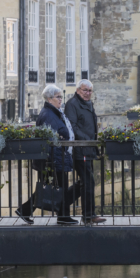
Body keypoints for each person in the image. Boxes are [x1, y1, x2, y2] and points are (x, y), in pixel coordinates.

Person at [16, 85, 78, 226]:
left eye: (61, 97)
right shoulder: (48, 114)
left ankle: (27, 210)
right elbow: (51, 137)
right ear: (50, 99)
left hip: (56, 158)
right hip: (54, 159)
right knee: (53, 188)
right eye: (58, 97)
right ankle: (62, 216)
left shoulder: (54, 113)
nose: (60, 100)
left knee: (51, 188)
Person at [65, 79, 107, 225]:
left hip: (88, 148)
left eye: (89, 91)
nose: (87, 93)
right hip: (79, 149)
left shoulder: (88, 104)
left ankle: (61, 205)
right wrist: (87, 140)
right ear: (78, 90)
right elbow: (73, 128)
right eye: (85, 90)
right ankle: (88, 216)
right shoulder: (72, 104)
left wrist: (93, 142)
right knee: (88, 181)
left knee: (84, 182)